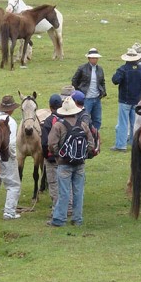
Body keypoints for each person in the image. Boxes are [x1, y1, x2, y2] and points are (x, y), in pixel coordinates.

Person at [47, 96, 95, 228]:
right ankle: (77, 219)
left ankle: (59, 220)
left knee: (64, 192)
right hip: (80, 164)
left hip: (64, 164)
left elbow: (51, 144)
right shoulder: (83, 125)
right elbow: (91, 144)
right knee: (78, 192)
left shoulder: (58, 125)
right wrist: (83, 155)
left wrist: (59, 155)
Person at [112, 47, 141, 152]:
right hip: (136, 99)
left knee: (123, 123)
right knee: (134, 122)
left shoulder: (123, 69)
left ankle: (121, 145)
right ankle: (133, 142)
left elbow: (115, 80)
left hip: (125, 99)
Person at [71, 48, 107, 130]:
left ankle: (95, 135)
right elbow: (74, 80)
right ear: (89, 58)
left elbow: (102, 82)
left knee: (97, 119)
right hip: (86, 98)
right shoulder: (82, 68)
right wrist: (79, 92)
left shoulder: (100, 69)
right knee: (85, 119)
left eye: (96, 58)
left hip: (97, 98)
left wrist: (103, 91)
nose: (95, 60)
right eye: (93, 58)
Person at [40, 93, 64, 210]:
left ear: (50, 107)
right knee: (65, 184)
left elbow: (45, 143)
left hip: (52, 158)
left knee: (54, 184)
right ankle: (68, 208)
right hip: (66, 158)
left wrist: (46, 156)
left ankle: (57, 209)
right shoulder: (67, 118)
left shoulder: (48, 122)